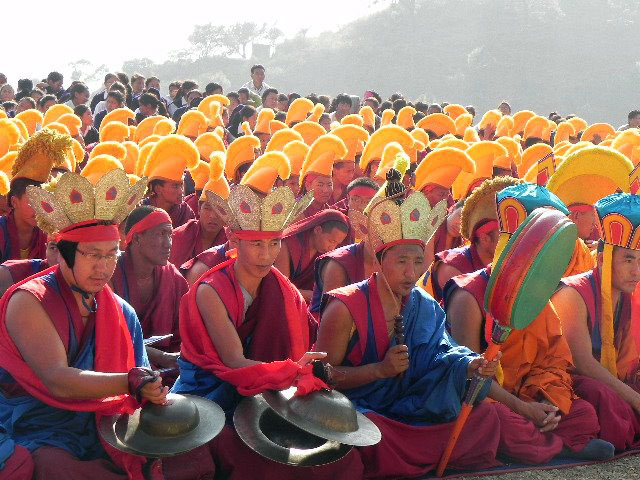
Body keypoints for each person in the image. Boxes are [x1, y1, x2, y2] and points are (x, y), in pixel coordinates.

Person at [171, 182, 364, 479]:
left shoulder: (282, 287)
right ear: (236, 244)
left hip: (268, 386)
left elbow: (304, 341)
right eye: (257, 244)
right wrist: (289, 372)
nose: (266, 255)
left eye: (274, 244)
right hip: (210, 389)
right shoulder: (211, 290)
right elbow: (233, 361)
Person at [316, 178, 502, 478]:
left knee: (486, 417)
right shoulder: (344, 306)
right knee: (369, 437)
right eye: (401, 261)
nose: (410, 273)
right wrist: (379, 370)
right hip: (362, 409)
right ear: (379, 259)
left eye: (417, 262)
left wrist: (470, 364)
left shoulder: (422, 304)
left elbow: (444, 354)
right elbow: (322, 377)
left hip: (411, 406)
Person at [0, 170, 167, 479]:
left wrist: (152, 390)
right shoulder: (30, 301)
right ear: (63, 255)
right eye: (91, 254)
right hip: (38, 427)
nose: (103, 267)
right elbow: (57, 380)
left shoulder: (121, 311)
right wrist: (130, 381)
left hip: (105, 425)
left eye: (111, 255)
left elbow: (138, 384)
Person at [445, 183, 613, 465]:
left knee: (584, 413)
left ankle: (543, 441)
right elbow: (469, 377)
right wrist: (523, 409)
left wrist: (548, 401)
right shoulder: (468, 295)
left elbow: (552, 361)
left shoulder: (536, 293)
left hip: (529, 396)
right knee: (493, 420)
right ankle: (553, 445)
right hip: (493, 401)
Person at [553, 193, 640, 451]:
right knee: (600, 395)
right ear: (602, 259)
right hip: (569, 382)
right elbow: (582, 365)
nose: (637, 271)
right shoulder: (573, 293)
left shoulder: (630, 296)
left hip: (613, 380)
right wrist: (635, 399)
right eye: (628, 259)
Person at [111, 206, 188, 371]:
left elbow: (185, 335)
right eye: (160, 234)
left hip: (168, 368)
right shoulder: (109, 274)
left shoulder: (174, 279)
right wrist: (160, 357)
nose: (168, 244)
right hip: (118, 367)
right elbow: (107, 338)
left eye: (170, 234)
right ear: (137, 239)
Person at [427, 177, 519, 302]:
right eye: (506, 235)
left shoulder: (501, 262)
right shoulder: (452, 268)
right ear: (484, 238)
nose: (513, 240)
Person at [0, 130, 69, 262]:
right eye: (32, 202)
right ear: (14, 202)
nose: (40, 209)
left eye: (44, 202)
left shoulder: (51, 234)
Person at [274, 209, 349, 302]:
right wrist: (311, 295)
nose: (332, 248)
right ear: (318, 230)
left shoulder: (323, 252)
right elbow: (281, 287)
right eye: (331, 241)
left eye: (336, 244)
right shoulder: (289, 244)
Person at [170, 155, 229, 269]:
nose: (213, 216)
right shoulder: (179, 236)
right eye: (207, 208)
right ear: (199, 209)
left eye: (220, 210)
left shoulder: (231, 241)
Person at [142, 135, 197, 228]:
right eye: (175, 186)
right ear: (158, 189)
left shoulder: (185, 212)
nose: (181, 191)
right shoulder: (142, 211)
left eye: (181, 186)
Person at [299, 134, 347, 217]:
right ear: (307, 185)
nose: (326, 190)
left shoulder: (331, 213)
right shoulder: (297, 213)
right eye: (320, 185)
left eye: (329, 185)